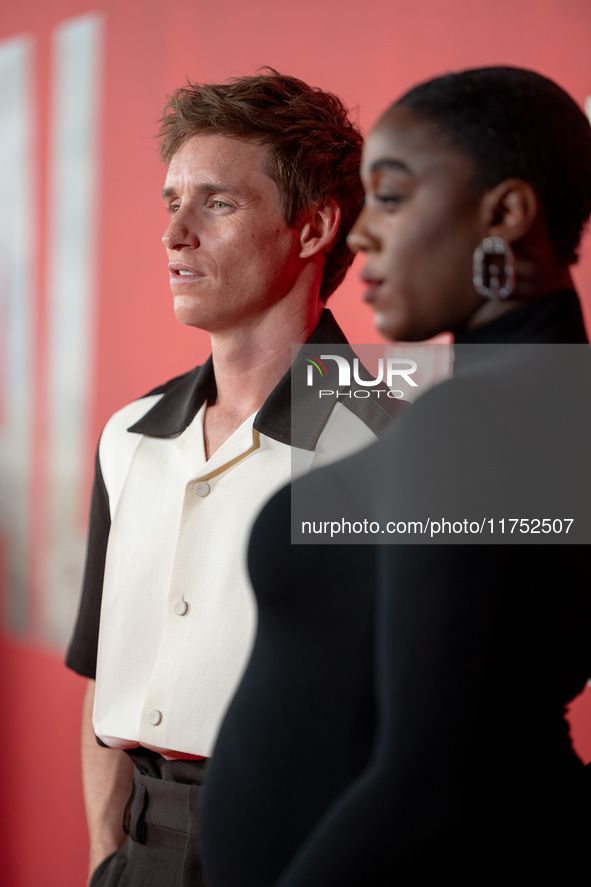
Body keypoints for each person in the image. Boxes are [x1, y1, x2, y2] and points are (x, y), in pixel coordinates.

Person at [200, 66, 591, 885]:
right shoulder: (539, 399)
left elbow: (429, 782)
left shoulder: (471, 421)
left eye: (393, 195)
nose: (360, 235)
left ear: (506, 213)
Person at [65, 69, 403, 887]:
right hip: (139, 848)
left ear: (314, 226)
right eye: (170, 201)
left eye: (215, 203)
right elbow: (106, 681)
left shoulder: (396, 439)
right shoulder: (128, 435)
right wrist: (106, 861)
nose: (174, 233)